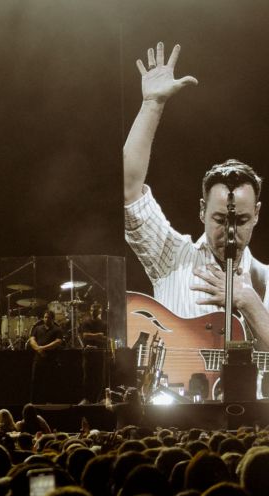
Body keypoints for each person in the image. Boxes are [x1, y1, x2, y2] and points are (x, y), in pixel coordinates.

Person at [124, 42, 269, 348]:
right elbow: (128, 188)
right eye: (219, 218)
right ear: (202, 210)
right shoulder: (171, 256)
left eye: (241, 219)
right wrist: (152, 104)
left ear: (257, 213)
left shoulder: (265, 280)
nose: (229, 232)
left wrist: (249, 302)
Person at [28, 310, 64, 403]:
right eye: (45, 317)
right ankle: (34, 402)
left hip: (51, 360)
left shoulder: (57, 329)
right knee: (35, 382)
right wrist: (38, 349)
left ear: (53, 319)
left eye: (48, 317)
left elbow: (57, 342)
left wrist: (42, 348)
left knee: (50, 382)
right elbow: (32, 340)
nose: (46, 319)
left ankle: (50, 402)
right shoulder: (37, 328)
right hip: (38, 360)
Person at [78, 303, 109, 404]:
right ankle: (86, 398)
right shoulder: (86, 323)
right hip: (89, 353)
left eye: (96, 310)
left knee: (100, 377)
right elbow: (85, 336)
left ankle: (100, 399)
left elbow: (106, 338)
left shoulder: (104, 324)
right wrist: (98, 335)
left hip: (100, 353)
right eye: (92, 310)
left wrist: (95, 337)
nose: (93, 312)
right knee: (87, 377)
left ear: (100, 311)